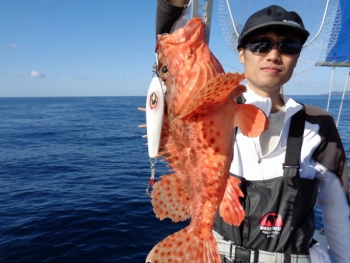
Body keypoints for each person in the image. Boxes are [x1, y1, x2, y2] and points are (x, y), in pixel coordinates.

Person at [155, 1, 350, 262]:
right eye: (260, 45)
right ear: (241, 53)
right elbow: (172, 52)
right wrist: (172, 6)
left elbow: (338, 215)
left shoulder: (320, 124)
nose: (273, 54)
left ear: (297, 56)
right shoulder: (215, 105)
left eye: (289, 46)